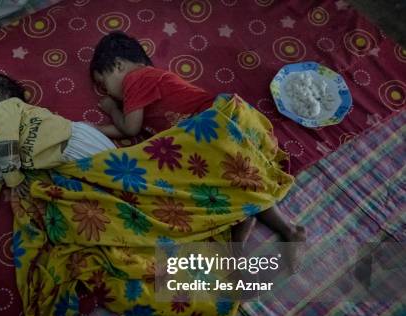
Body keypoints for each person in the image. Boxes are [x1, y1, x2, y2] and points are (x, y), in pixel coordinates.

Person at [90, 31, 305, 252]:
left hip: (211, 122)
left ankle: (288, 230)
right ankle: (239, 248)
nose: (107, 93)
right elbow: (125, 129)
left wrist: (112, 108)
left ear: (118, 66)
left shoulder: (136, 78)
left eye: (104, 84)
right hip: (202, 136)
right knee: (232, 182)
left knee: (236, 174)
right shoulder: (144, 84)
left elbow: (129, 128)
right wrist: (94, 130)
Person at [0, 74, 116, 212]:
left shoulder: (2, 108)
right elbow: (0, 159)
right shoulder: (4, 136)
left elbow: (6, 147)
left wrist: (14, 180)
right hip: (68, 157)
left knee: (115, 175)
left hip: (74, 143)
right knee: (109, 191)